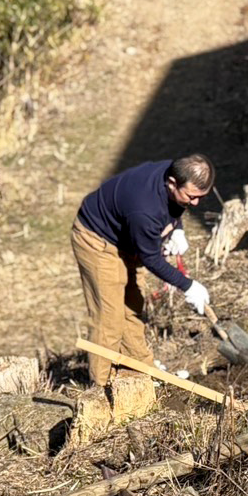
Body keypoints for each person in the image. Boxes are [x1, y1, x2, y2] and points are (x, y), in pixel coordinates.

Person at [72, 156, 214, 380]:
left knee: (132, 306)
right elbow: (151, 259)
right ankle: (101, 383)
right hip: (97, 240)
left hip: (127, 236)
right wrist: (187, 285)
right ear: (172, 183)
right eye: (191, 197)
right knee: (109, 318)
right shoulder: (144, 209)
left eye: (201, 197)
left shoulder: (175, 172)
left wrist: (176, 228)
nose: (195, 203)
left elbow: (174, 206)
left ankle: (138, 370)